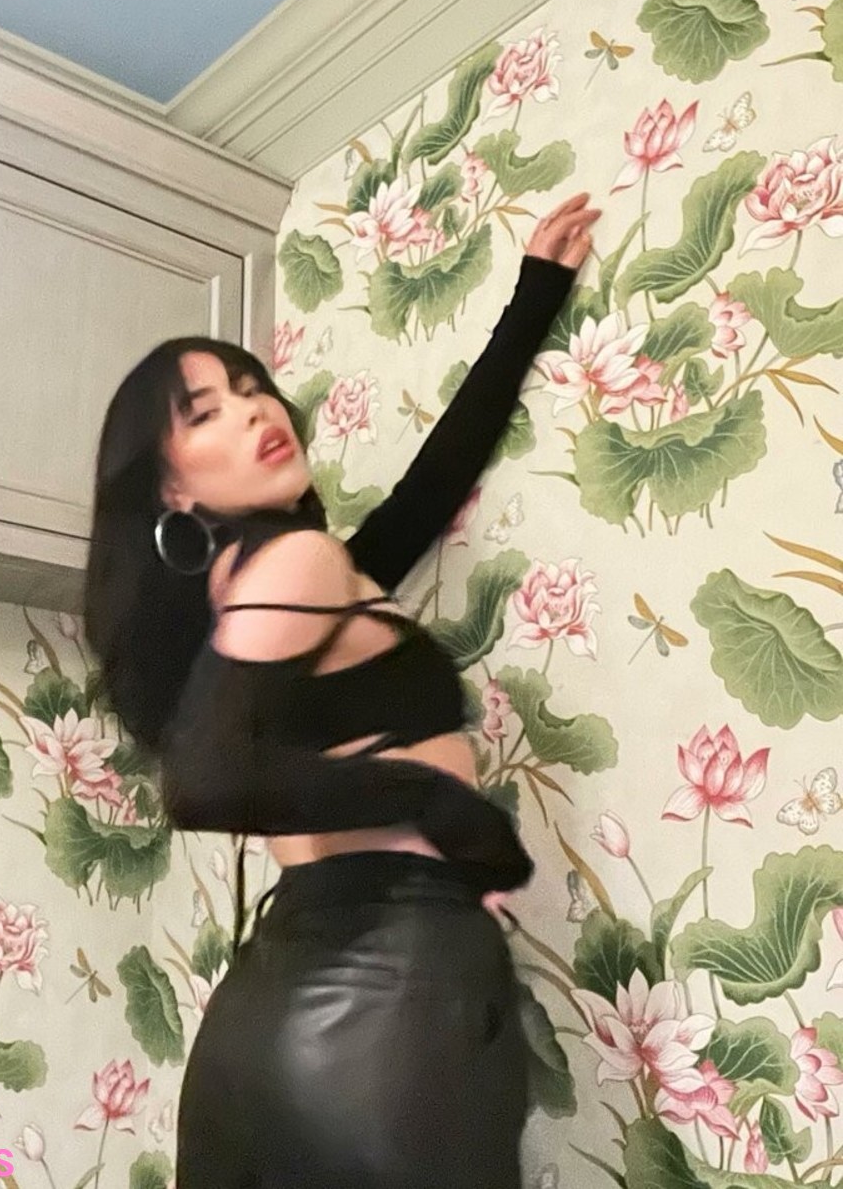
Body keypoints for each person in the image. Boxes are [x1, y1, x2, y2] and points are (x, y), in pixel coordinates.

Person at [84, 192, 600, 1188]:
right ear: (172, 490)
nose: (254, 410)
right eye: (205, 412)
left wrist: (535, 294)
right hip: (383, 992)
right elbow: (207, 781)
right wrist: (433, 800)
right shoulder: (298, 566)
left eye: (251, 388)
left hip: (285, 1002)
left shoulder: (284, 588)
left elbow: (429, 488)